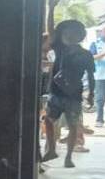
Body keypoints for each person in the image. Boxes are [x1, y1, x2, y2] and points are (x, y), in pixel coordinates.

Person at [41, 18, 96, 168]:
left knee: (53, 121)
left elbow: (91, 75)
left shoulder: (61, 49)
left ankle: (56, 151)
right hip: (71, 94)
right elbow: (91, 76)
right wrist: (91, 94)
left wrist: (91, 93)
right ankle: (66, 156)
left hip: (60, 93)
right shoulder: (83, 54)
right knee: (70, 125)